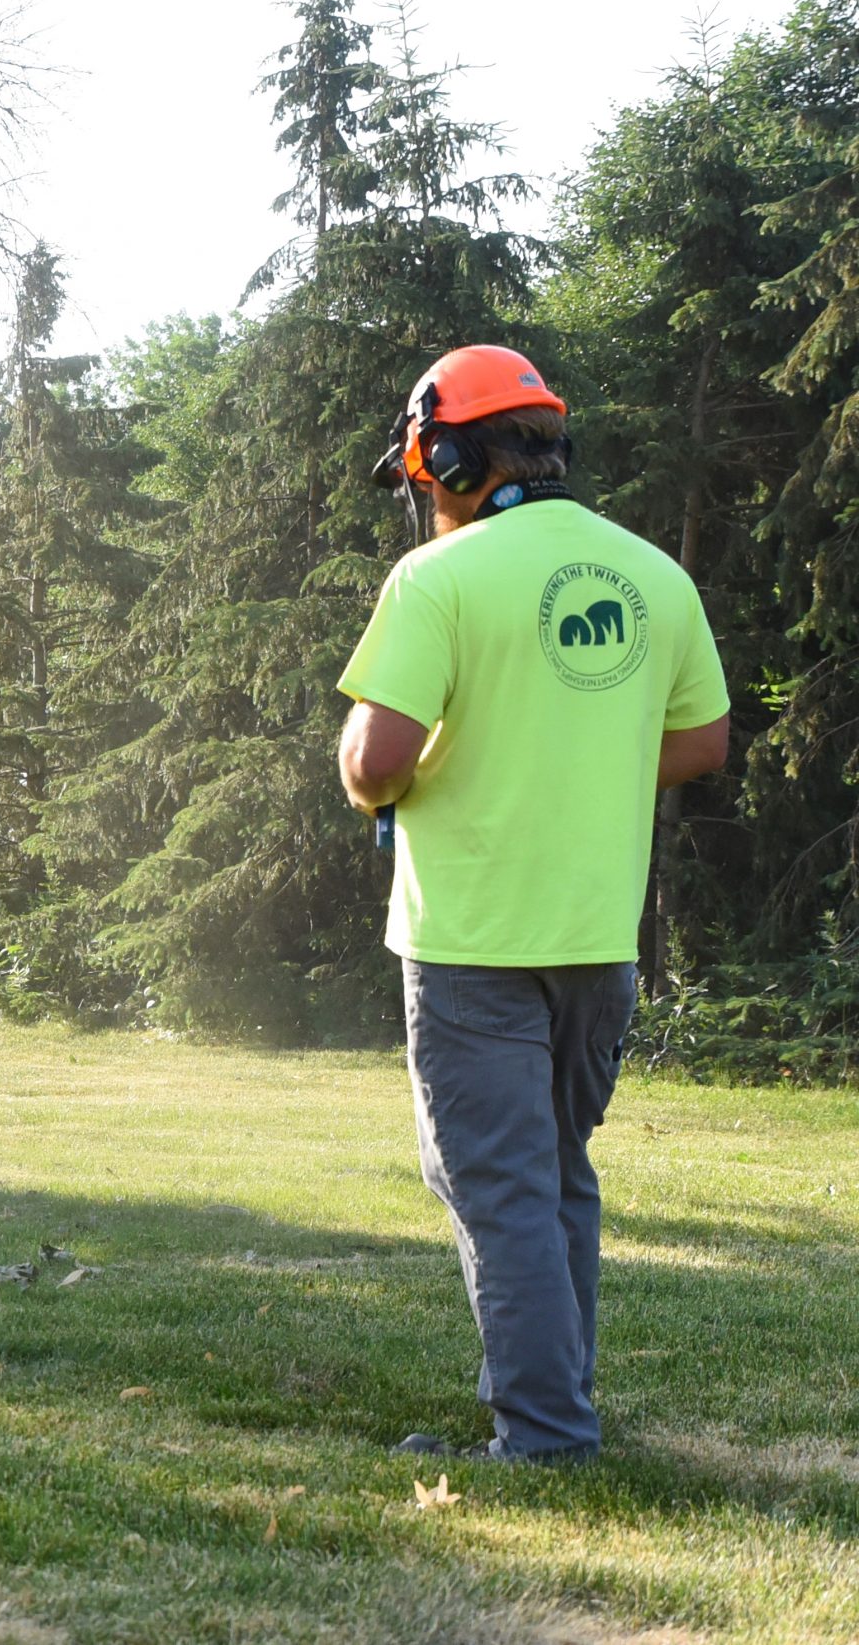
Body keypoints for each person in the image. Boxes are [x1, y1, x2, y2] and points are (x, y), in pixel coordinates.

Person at [334, 344, 730, 1463]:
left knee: (497, 1187)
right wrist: (582, 755)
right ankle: (558, 1405)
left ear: (450, 454)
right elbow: (701, 740)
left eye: (421, 476)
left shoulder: (439, 581)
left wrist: (390, 758)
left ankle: (547, 1436)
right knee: (552, 1177)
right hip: (599, 942)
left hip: (472, 942)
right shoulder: (653, 574)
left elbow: (376, 764)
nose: (422, 500)